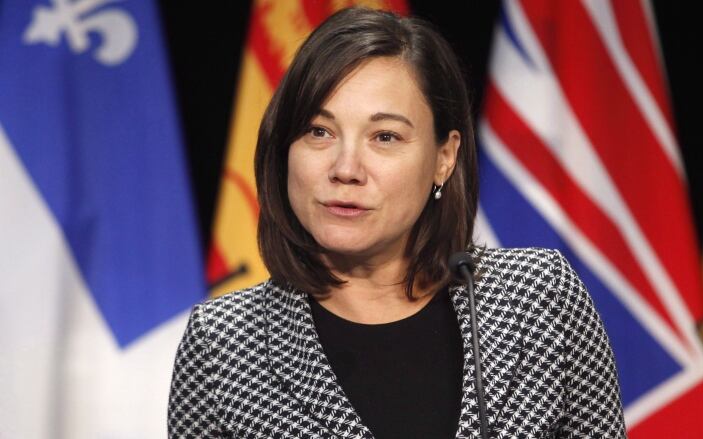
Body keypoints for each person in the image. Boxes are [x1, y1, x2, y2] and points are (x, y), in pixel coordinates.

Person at [168, 7, 626, 439]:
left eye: (384, 136)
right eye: (318, 131)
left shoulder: (539, 299)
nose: (346, 168)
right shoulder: (222, 345)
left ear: (444, 158)